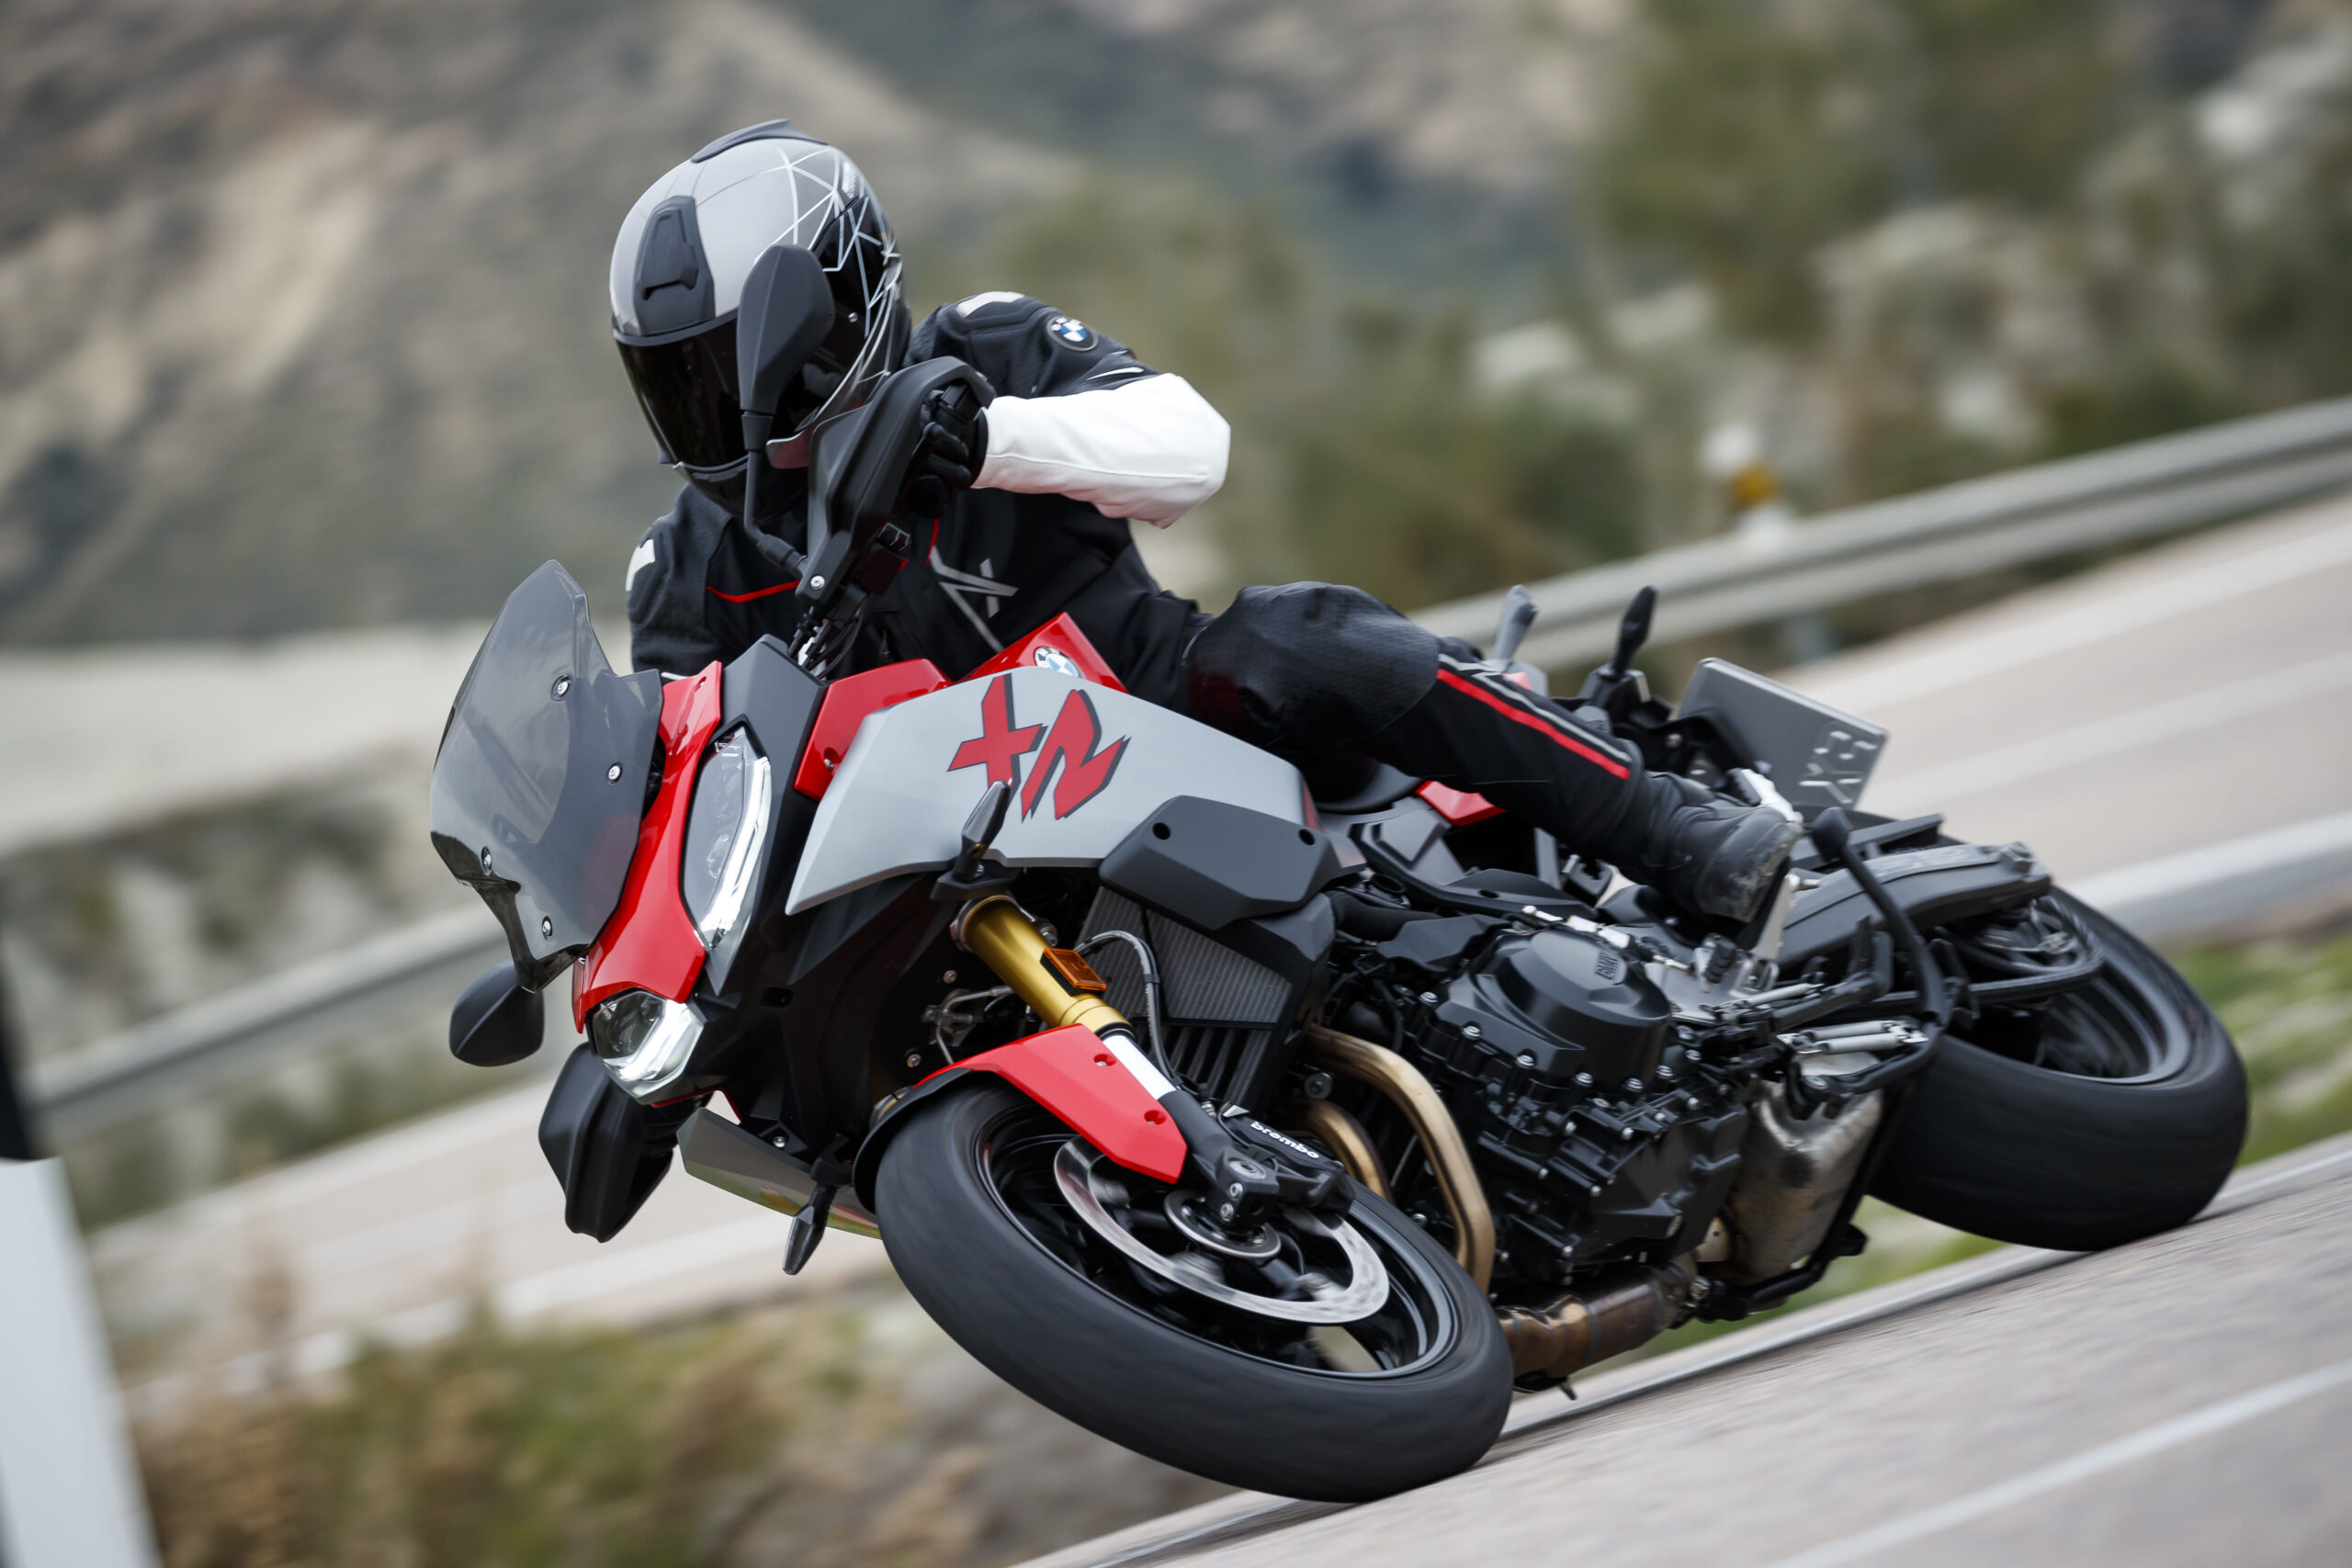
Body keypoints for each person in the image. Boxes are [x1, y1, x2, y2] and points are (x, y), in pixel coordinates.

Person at [612, 121, 1800, 921]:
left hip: (1160, 715)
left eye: (736, 371)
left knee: (1290, 634)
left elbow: (1191, 449)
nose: (718, 413)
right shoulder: (684, 566)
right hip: (942, 876)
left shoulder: (981, 350)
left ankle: (1668, 828)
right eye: (683, 386)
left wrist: (991, 439)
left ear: (836, 317)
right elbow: (677, 808)